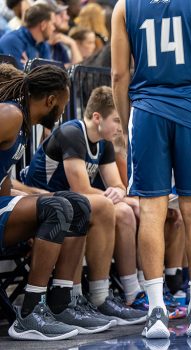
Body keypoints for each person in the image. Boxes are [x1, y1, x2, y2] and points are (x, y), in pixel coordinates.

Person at [111, 0, 191, 338]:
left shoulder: (124, 6)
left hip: (147, 112)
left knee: (151, 212)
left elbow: (119, 75)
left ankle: (156, 312)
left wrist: (125, 122)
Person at [0, 65, 112, 340]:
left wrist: (32, 205)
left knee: (76, 204)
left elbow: (3, 184)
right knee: (58, 206)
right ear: (50, 100)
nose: (63, 112)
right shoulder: (11, 114)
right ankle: (30, 313)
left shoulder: (23, 124)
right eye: (62, 104)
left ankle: (63, 303)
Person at [22, 86, 147, 325]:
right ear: (97, 117)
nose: (121, 128)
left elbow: (118, 186)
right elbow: (80, 189)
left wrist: (119, 192)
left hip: (71, 202)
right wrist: (113, 194)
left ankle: (130, 292)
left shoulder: (104, 142)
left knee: (125, 212)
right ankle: (85, 296)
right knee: (106, 206)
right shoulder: (72, 132)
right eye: (117, 120)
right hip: (41, 202)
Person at [0, 3, 54, 68]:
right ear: (43, 25)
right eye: (52, 24)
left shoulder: (43, 44)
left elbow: (50, 73)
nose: (54, 28)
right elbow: (15, 76)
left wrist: (30, 69)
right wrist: (33, 70)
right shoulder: (11, 41)